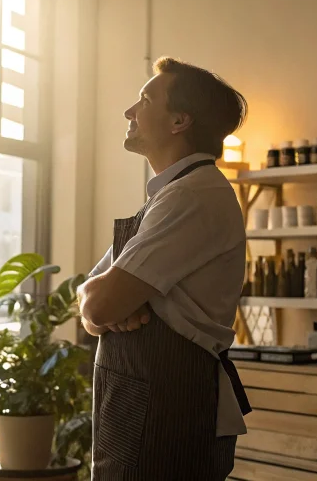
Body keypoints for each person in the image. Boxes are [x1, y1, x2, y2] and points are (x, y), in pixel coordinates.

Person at [77, 57, 251, 480]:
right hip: (140, 408)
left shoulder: (192, 196)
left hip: (166, 414)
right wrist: (101, 304)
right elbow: (87, 294)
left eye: (144, 99)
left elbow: (99, 307)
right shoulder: (168, 197)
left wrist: (105, 306)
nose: (129, 112)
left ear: (179, 121)